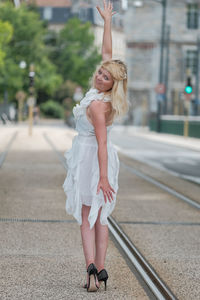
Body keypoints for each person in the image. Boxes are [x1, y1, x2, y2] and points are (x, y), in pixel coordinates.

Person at [62, 0, 128, 293]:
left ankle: (90, 266)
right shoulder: (100, 95)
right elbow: (107, 54)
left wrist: (102, 177)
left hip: (92, 159)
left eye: (105, 77)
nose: (100, 76)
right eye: (101, 72)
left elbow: (102, 143)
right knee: (100, 217)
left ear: (112, 86)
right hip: (93, 156)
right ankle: (100, 270)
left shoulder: (99, 107)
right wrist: (107, 23)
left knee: (88, 215)